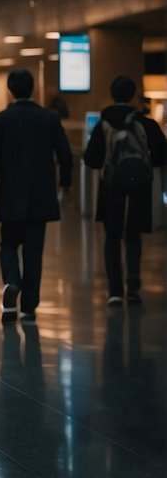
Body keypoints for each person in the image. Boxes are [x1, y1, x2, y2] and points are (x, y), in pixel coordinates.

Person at [0, 68, 72, 324]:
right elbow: (65, 154)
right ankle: (28, 308)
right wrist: (65, 183)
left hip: (10, 194)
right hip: (41, 196)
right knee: (33, 251)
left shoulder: (0, 120)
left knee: (8, 244)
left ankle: (11, 282)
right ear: (33, 89)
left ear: (10, 90)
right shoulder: (49, 118)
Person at [83, 75, 167, 306]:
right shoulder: (146, 123)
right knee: (133, 234)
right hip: (139, 186)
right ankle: (133, 285)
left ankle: (115, 291)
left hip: (112, 186)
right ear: (133, 95)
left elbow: (91, 159)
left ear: (113, 94)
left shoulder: (104, 123)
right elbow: (161, 155)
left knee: (112, 237)